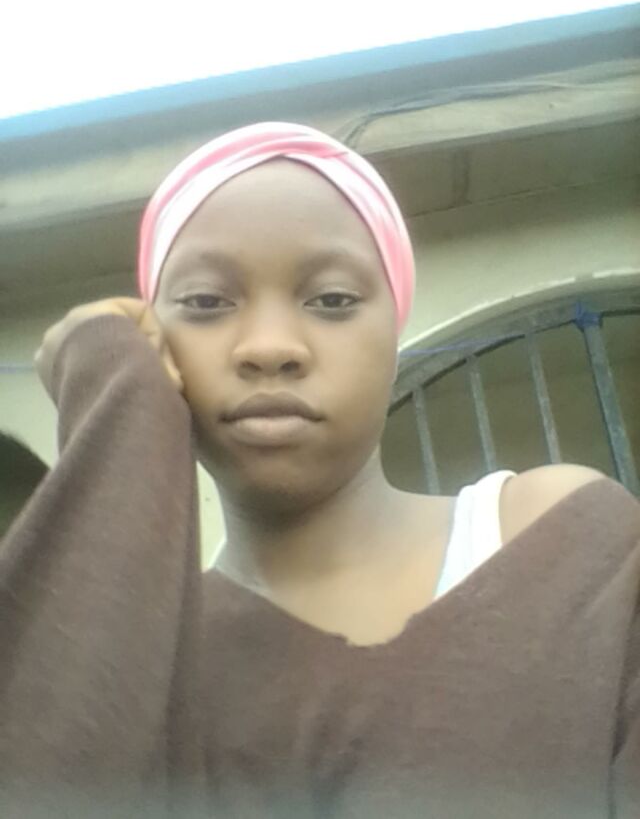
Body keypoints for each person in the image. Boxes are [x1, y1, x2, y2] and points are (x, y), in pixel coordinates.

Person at [1, 122, 639, 818]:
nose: (270, 347)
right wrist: (117, 404)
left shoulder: (562, 539)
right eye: (207, 302)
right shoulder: (153, 662)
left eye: (332, 300)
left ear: (393, 332)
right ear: (160, 349)